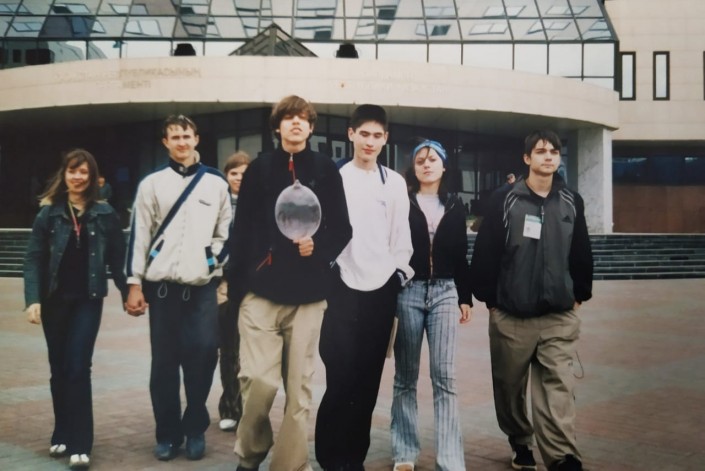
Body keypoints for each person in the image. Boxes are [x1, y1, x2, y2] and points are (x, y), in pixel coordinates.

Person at [228, 95, 351, 471]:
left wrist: (318, 248)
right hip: (261, 294)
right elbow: (241, 232)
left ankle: (291, 465)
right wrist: (237, 291)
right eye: (288, 117)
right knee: (257, 381)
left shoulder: (325, 169)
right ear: (277, 126)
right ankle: (251, 453)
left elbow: (342, 228)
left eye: (302, 118)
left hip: (308, 297)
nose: (296, 123)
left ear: (311, 127)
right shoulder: (259, 169)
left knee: (299, 391)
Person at [469, 130, 593, 471]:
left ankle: (562, 457)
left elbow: (581, 249)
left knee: (558, 386)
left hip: (558, 316)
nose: (548, 156)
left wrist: (580, 292)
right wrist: (491, 299)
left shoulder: (570, 200)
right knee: (509, 388)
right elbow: (486, 252)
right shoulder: (504, 199)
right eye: (540, 151)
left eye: (554, 151)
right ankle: (520, 440)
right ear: (527, 158)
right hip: (512, 315)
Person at [124, 114, 231, 462]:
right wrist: (134, 283)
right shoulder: (152, 184)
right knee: (164, 365)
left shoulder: (215, 183)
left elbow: (226, 231)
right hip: (163, 289)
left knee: (204, 353)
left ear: (196, 139)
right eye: (175, 137)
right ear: (165, 143)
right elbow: (139, 235)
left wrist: (210, 261)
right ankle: (167, 434)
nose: (182, 142)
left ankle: (195, 427)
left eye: (187, 136)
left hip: (201, 288)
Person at [315, 104, 414, 471]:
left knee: (368, 381)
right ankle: (330, 457)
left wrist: (396, 276)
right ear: (351, 134)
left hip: (380, 291)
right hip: (341, 288)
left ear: (385, 139)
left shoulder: (394, 183)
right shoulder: (334, 177)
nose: (370, 142)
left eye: (377, 136)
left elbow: (401, 238)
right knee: (339, 376)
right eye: (364, 134)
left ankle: (353, 458)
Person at [23, 149, 128, 470]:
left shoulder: (105, 213)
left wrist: (130, 293)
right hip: (54, 301)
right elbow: (34, 258)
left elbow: (117, 259)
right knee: (59, 368)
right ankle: (62, 431)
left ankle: (81, 443)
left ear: (93, 177)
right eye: (72, 171)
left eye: (83, 172)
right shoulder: (49, 214)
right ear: (64, 174)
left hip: (87, 300)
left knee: (78, 367)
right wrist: (32, 299)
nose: (78, 177)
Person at [391, 140, 472, 471]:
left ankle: (450, 459)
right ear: (413, 168)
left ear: (444, 166)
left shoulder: (455, 205)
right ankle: (404, 452)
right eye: (420, 160)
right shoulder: (402, 202)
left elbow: (461, 255)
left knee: (445, 377)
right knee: (405, 377)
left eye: (433, 159)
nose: (427, 164)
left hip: (445, 292)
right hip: (408, 292)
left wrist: (465, 297)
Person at [216, 151, 250, 432]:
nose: (239, 178)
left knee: (251, 351)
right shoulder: (218, 202)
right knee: (229, 348)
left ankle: (249, 407)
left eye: (244, 173)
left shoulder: (259, 203)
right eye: (234, 173)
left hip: (253, 285)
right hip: (224, 285)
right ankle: (229, 407)